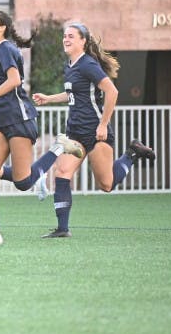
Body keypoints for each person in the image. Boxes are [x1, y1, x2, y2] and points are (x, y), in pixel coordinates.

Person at [0, 10, 84, 245]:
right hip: (1, 121)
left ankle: (59, 147)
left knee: (23, 183)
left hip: (20, 119)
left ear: (2, 27)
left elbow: (14, 82)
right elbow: (1, 86)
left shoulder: (6, 49)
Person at [32, 23, 156, 238]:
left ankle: (131, 154)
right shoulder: (69, 65)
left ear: (83, 41)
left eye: (71, 36)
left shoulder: (88, 64)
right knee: (62, 173)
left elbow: (112, 91)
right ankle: (62, 229)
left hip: (96, 133)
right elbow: (73, 94)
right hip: (75, 133)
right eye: (65, 36)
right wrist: (49, 99)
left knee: (106, 184)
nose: (66, 39)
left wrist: (102, 124)